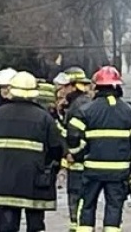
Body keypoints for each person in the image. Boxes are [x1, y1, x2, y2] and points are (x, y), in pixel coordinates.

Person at [0, 70, 64, 232]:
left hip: (3, 180)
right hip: (35, 182)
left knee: (6, 226)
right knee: (36, 225)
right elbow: (56, 148)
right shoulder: (45, 118)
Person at [67, 66, 131, 232]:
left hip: (92, 170)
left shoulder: (86, 110)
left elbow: (72, 135)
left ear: (97, 87)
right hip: (119, 171)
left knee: (87, 205)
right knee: (114, 208)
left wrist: (80, 155)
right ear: (118, 86)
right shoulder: (130, 113)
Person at [52, 67, 93, 232]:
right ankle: (76, 225)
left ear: (74, 86)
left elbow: (75, 135)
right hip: (78, 161)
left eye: (64, 86)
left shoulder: (79, 106)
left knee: (78, 195)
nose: (60, 90)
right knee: (76, 195)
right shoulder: (77, 104)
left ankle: (79, 227)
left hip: (80, 162)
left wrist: (74, 154)